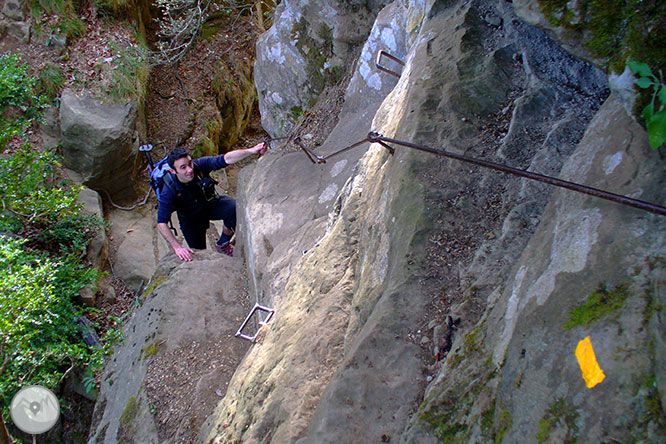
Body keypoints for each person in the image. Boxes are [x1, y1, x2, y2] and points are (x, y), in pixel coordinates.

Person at [157, 142, 267, 261]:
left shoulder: (199, 166)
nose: (189, 169)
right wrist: (177, 248)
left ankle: (223, 244)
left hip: (208, 205)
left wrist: (251, 151)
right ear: (173, 171)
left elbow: (226, 158)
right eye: (183, 167)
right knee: (199, 252)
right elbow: (161, 223)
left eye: (190, 163)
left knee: (233, 208)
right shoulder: (169, 190)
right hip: (191, 220)